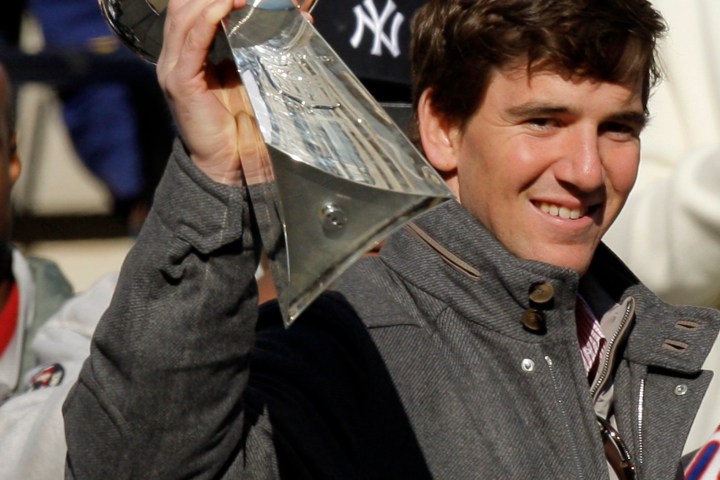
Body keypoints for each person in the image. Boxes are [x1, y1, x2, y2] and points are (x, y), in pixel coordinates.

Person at [63, 0, 720, 479]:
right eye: (542, 121)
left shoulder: (696, 355)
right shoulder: (336, 353)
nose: (585, 171)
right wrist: (217, 177)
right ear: (439, 127)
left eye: (619, 128)